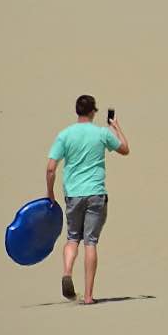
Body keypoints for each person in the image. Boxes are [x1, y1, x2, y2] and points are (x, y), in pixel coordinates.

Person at [45, 95, 130, 304]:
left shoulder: (65, 135)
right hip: (96, 193)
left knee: (73, 238)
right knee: (90, 242)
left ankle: (67, 272)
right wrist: (116, 126)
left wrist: (50, 193)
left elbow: (50, 168)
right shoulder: (101, 133)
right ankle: (89, 296)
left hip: (73, 194)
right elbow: (125, 149)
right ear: (93, 111)